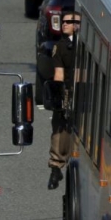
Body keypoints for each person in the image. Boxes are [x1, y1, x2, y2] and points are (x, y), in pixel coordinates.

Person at [47, 10, 80, 190]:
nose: (64, 24)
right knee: (61, 129)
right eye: (63, 21)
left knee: (61, 129)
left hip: (74, 91)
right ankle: (56, 167)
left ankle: (57, 166)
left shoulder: (63, 46)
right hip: (76, 91)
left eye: (68, 22)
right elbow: (58, 74)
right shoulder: (61, 46)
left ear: (77, 25)